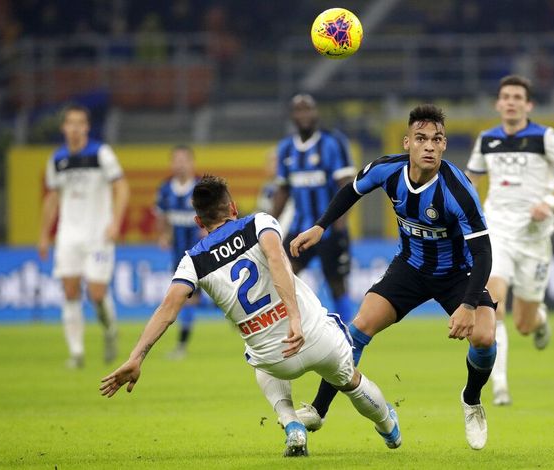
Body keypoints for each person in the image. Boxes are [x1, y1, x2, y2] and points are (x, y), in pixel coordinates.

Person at [100, 175, 401, 457]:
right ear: (232, 207)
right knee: (350, 380)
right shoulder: (259, 223)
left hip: (274, 359)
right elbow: (276, 260)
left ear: (198, 221)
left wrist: (137, 357)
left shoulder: (192, 262)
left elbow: (167, 311)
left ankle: (292, 424)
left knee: (256, 357)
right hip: (313, 337)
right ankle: (389, 428)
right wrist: (293, 319)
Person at [290, 104, 497, 450]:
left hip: (456, 274)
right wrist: (320, 226)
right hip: (410, 268)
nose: (429, 146)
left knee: (485, 339)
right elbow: (350, 191)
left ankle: (472, 400)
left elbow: (483, 253)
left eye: (437, 139)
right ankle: (318, 409)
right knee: (357, 328)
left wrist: (469, 304)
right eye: (421, 138)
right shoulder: (387, 170)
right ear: (407, 143)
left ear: (444, 146)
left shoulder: (458, 190)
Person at [465, 75, 554, 406]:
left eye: (518, 96)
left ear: (528, 104)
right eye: (506, 96)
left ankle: (540, 319)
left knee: (525, 324)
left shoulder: (545, 137)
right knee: (495, 301)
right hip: (497, 230)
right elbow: (470, 180)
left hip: (534, 237)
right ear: (498, 104)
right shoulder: (487, 139)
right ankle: (500, 386)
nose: (511, 101)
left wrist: (549, 201)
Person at [38, 104, 130, 369]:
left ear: (87, 127)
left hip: (98, 234)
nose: (75, 128)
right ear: (64, 128)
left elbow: (122, 188)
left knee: (97, 294)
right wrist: (44, 235)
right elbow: (52, 199)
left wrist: (115, 222)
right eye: (71, 123)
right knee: (69, 291)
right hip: (68, 235)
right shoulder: (56, 160)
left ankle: (110, 330)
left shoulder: (101, 154)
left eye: (80, 123)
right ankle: (76, 353)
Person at [271, 94, 355, 323]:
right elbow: (283, 190)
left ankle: (346, 335)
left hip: (328, 229)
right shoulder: (286, 148)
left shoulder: (333, 142)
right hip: (299, 229)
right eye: (298, 110)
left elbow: (347, 184)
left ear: (316, 113)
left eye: (307, 109)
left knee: (336, 282)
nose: (303, 115)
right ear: (292, 116)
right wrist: (268, 223)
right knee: (283, 276)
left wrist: (339, 224)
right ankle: (286, 329)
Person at [155, 145, 205, 359]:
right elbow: (162, 215)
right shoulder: (165, 189)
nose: (180, 164)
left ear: (192, 163)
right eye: (176, 160)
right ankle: (182, 345)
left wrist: (207, 230)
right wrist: (164, 234)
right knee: (188, 296)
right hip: (179, 254)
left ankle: (182, 345)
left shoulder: (202, 188)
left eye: (184, 160)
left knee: (192, 295)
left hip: (204, 252)